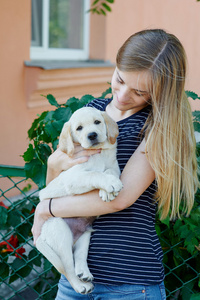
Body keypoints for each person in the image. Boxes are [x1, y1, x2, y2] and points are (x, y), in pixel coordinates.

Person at [31, 29, 199, 300]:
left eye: (139, 91)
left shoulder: (157, 127)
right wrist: (53, 164)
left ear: (161, 90)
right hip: (74, 278)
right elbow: (60, 186)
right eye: (119, 80)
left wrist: (45, 209)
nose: (121, 96)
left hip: (129, 283)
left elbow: (119, 199)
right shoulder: (91, 113)